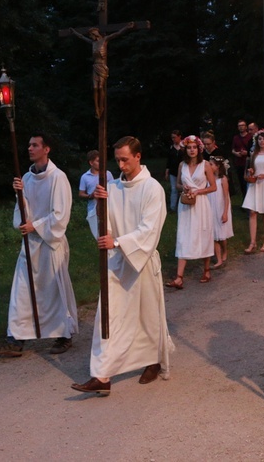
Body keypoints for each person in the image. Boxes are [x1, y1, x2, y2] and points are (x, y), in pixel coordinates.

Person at [71, 136, 174, 395]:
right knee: (108, 316)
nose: (120, 164)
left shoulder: (152, 189)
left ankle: (152, 360)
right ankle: (102, 375)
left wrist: (117, 242)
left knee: (147, 316)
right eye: (117, 159)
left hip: (141, 260)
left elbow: (150, 229)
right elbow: (102, 226)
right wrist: (98, 202)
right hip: (118, 263)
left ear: (138, 157)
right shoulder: (113, 188)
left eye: (125, 159)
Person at [0, 134, 78, 357]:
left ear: (47, 149)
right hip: (30, 243)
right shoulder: (26, 179)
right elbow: (22, 214)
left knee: (53, 290)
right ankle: (15, 339)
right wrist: (20, 195)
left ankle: (64, 335)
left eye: (35, 145)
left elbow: (60, 215)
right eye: (28, 145)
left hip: (50, 243)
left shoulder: (58, 178)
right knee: (22, 290)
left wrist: (35, 226)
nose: (29, 148)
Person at [166, 135, 217, 289]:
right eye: (189, 147)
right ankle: (179, 277)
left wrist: (198, 191)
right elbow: (178, 185)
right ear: (185, 149)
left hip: (201, 204)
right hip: (186, 204)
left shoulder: (205, 165)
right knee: (184, 235)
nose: (192, 150)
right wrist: (185, 188)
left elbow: (213, 187)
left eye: (194, 147)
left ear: (199, 149)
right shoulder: (182, 165)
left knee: (203, 234)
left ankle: (207, 270)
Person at [69, 22, 136, 119]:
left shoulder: (104, 40)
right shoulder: (93, 43)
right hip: (95, 66)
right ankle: (97, 108)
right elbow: (81, 37)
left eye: (91, 35)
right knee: (95, 88)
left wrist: (127, 27)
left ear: (95, 34)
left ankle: (102, 106)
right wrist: (74, 32)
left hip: (102, 66)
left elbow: (117, 33)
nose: (90, 37)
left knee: (100, 87)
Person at [78, 150, 114, 238]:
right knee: (98, 235)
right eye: (98, 161)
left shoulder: (108, 174)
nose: (101, 163)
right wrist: (91, 195)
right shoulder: (85, 177)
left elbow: (114, 190)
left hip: (108, 207)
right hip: (92, 209)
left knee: (110, 233)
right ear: (91, 162)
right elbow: (81, 194)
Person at [209, 156, 234, 268]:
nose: (209, 167)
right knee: (213, 234)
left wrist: (225, 212)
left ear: (217, 166)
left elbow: (225, 197)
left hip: (220, 207)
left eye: (211, 165)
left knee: (221, 235)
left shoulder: (223, 179)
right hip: (211, 208)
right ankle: (218, 259)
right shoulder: (208, 179)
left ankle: (224, 250)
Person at [164, 130, 185, 212]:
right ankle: (172, 207)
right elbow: (169, 160)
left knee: (183, 188)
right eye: (172, 137)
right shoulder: (171, 148)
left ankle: (183, 204)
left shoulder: (184, 147)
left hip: (183, 171)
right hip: (173, 171)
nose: (173, 139)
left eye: (174, 137)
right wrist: (167, 171)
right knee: (174, 189)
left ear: (179, 137)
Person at [231, 120, 253, 196]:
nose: (241, 127)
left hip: (248, 163)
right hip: (239, 163)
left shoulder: (250, 137)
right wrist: (236, 153)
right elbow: (233, 149)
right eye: (239, 126)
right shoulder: (236, 138)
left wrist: (246, 153)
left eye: (242, 125)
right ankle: (244, 199)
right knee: (241, 182)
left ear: (246, 127)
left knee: (248, 181)